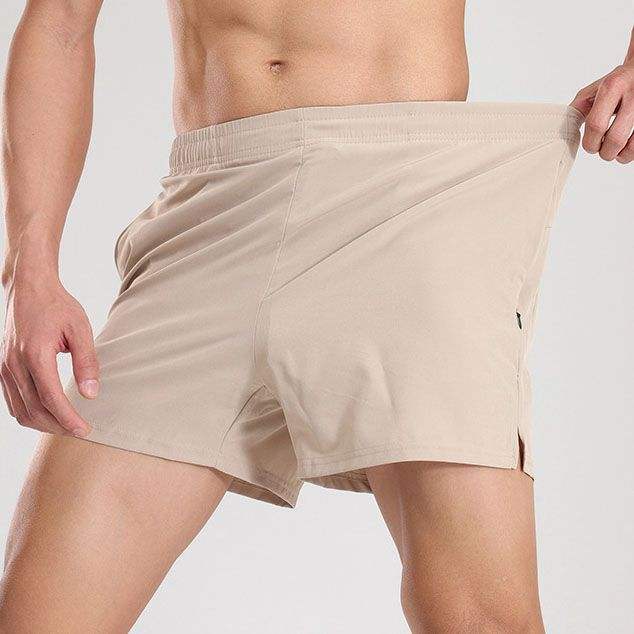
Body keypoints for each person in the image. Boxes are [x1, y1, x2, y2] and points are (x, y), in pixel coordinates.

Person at [0, 1, 631, 631]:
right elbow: (61, 23)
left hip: (407, 198)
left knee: (482, 618)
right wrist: (29, 270)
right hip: (210, 214)